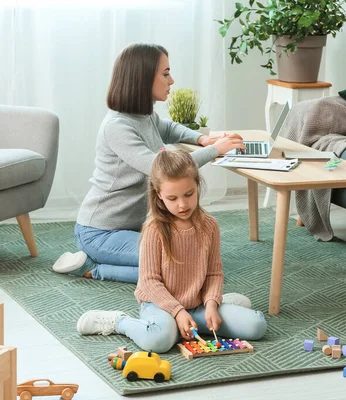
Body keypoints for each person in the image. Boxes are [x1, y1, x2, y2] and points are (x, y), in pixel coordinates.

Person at [52, 43, 245, 284]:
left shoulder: (144, 115)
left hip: (134, 229)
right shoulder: (117, 127)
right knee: (181, 268)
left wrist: (202, 138)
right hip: (100, 233)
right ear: (142, 78)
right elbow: (163, 168)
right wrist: (215, 150)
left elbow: (168, 127)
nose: (171, 80)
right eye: (165, 74)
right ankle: (92, 268)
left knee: (193, 258)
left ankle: (112, 260)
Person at [75, 150, 267, 351]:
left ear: (197, 186)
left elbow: (214, 273)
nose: (182, 204)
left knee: (256, 326)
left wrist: (211, 303)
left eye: (189, 194)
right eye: (172, 198)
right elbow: (149, 282)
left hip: (198, 304)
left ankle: (218, 303)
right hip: (160, 305)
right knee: (159, 341)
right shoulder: (153, 229)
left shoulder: (210, 226)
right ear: (159, 195)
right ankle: (119, 322)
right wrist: (178, 312)